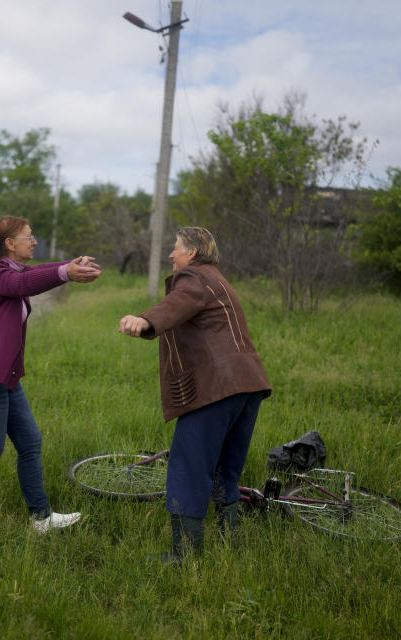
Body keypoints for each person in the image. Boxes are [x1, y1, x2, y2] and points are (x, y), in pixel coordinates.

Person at [119, 227, 271, 564]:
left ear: (193, 252)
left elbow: (177, 303)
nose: (171, 255)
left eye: (176, 248)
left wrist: (144, 320)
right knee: (225, 468)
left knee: (188, 467)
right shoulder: (217, 279)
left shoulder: (194, 276)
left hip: (217, 388)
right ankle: (229, 540)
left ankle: (183, 554)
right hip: (247, 385)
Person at [0, 216, 102, 541]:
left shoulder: (16, 271)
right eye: (28, 237)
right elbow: (25, 284)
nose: (34, 242)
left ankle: (41, 518)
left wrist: (72, 265)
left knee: (30, 443)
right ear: (10, 243)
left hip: (4, 379)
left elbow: (34, 275)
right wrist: (66, 273)